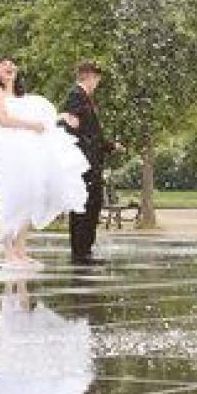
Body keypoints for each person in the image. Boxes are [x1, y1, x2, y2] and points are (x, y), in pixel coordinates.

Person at [0, 57, 89, 268]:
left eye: (12, 65)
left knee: (33, 196)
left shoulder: (24, 98)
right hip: (10, 156)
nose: (10, 67)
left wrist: (62, 116)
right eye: (4, 65)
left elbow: (42, 122)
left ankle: (20, 248)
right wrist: (31, 126)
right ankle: (8, 251)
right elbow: (3, 120)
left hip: (27, 155)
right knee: (13, 197)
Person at [61, 61, 119, 265]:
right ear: (89, 77)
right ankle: (81, 251)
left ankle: (85, 249)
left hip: (91, 159)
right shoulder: (76, 95)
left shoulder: (84, 98)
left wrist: (109, 146)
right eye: (96, 79)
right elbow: (71, 126)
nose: (97, 83)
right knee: (85, 204)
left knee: (92, 203)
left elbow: (91, 132)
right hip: (83, 162)